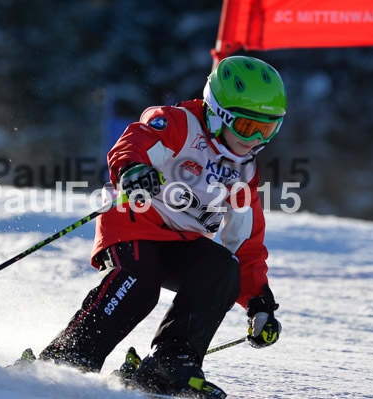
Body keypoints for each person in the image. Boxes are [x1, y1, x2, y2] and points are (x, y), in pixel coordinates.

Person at [34, 56, 285, 397]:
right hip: (134, 225)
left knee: (224, 268)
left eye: (267, 129)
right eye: (245, 127)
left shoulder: (244, 171)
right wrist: (133, 170)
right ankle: (70, 356)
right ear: (216, 113)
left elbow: (246, 242)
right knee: (139, 284)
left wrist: (258, 301)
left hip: (181, 243)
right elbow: (136, 140)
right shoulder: (180, 124)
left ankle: (171, 363)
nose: (254, 139)